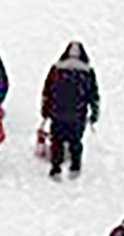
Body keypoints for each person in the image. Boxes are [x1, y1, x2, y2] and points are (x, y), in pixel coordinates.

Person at [40, 41, 99, 179]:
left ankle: (56, 167)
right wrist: (94, 113)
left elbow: (47, 91)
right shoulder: (88, 72)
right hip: (78, 114)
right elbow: (93, 95)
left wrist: (45, 111)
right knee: (76, 141)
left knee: (57, 141)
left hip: (58, 113)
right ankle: (75, 166)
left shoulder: (56, 69)